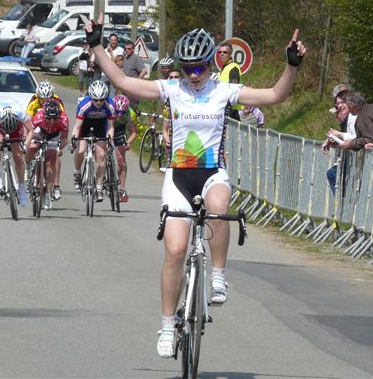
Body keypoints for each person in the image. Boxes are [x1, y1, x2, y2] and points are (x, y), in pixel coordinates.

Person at [83, 18, 305, 359]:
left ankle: (218, 275)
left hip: (212, 172)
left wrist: (291, 65)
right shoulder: (173, 90)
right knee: (174, 251)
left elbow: (275, 95)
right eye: (188, 69)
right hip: (179, 177)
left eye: (200, 67)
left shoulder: (224, 90)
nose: (194, 75)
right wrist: (97, 45)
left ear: (210, 64)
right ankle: (168, 325)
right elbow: (123, 81)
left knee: (219, 205)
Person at [72, 80, 116, 202]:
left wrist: (109, 141)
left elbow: (111, 127)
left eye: (101, 100)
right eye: (95, 100)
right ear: (90, 97)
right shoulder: (84, 105)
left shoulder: (110, 105)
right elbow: (77, 127)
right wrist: (74, 139)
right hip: (85, 123)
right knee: (80, 150)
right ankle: (77, 172)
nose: (98, 102)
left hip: (101, 125)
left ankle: (99, 187)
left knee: (101, 155)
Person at [0, 100, 32, 206]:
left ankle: (22, 187)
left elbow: (31, 131)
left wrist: (25, 146)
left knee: (18, 158)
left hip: (16, 127)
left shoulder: (20, 113)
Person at [25, 99, 69, 209]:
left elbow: (64, 138)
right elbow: (29, 131)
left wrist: (59, 147)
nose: (52, 121)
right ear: (44, 114)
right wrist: (27, 143)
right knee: (32, 147)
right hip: (39, 132)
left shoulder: (63, 119)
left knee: (51, 163)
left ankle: (48, 194)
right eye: (49, 118)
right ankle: (28, 165)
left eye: (55, 118)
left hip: (54, 135)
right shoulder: (38, 117)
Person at [111, 94, 137, 202]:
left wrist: (128, 142)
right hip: (107, 126)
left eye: (122, 113)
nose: (119, 116)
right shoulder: (109, 109)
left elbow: (134, 133)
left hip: (120, 129)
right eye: (117, 112)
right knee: (101, 152)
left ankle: (122, 188)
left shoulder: (131, 114)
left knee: (121, 159)